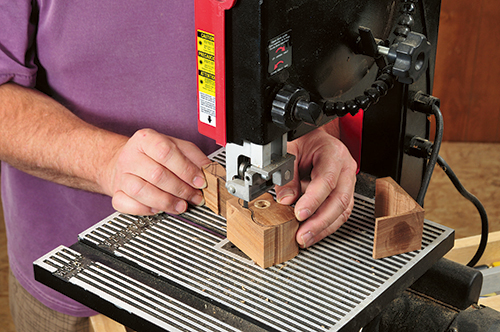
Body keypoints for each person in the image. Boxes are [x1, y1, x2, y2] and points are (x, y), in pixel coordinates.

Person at [0, 1, 357, 331]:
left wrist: (311, 126)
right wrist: (104, 161)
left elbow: (313, 38)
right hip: (71, 252)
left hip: (225, 273)